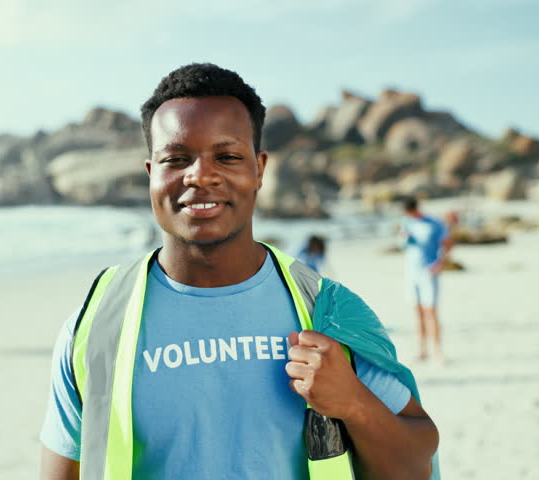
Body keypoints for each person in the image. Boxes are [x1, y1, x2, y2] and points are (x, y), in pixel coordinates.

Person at [39, 63, 439, 480]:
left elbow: (415, 466)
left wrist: (354, 403)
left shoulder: (327, 310)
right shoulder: (96, 325)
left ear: (259, 169)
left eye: (227, 156)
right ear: (150, 174)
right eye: (176, 158)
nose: (200, 175)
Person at [401, 198, 451, 363]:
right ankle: (422, 350)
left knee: (431, 311)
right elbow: (402, 245)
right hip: (411, 272)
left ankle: (437, 350)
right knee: (418, 312)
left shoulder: (434, 223)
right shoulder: (406, 223)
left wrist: (441, 263)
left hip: (428, 272)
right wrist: (404, 238)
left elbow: (448, 243)